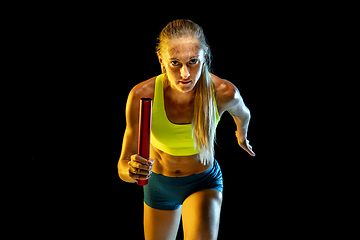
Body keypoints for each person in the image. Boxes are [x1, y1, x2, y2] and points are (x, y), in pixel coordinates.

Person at [118, 19, 255, 240]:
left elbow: (244, 114)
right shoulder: (142, 95)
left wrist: (242, 134)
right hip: (158, 186)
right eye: (175, 63)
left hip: (203, 182)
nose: (185, 74)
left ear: (205, 56)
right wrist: (132, 171)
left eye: (192, 61)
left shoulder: (223, 92)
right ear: (162, 61)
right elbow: (122, 166)